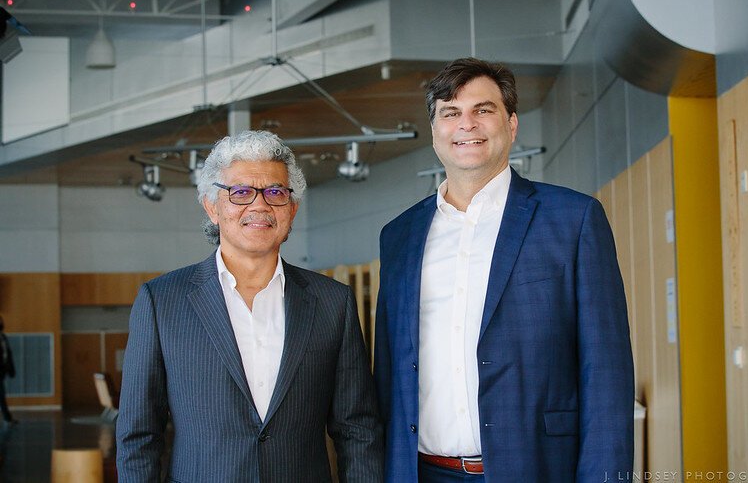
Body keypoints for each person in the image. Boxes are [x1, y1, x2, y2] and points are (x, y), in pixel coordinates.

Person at [373, 58, 634, 482]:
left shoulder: (573, 219)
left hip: (535, 469)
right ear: (435, 132)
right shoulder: (399, 236)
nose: (466, 124)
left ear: (511, 125)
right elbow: (388, 374)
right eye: (450, 112)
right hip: (421, 473)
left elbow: (606, 372)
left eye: (484, 109)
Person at [116, 131, 383, 482]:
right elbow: (139, 435)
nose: (259, 206)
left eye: (275, 192)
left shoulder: (333, 302)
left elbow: (357, 430)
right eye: (240, 192)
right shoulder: (161, 301)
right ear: (212, 206)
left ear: (292, 209)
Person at [0, 316, 16, 426]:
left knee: (2, 395)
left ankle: (7, 418)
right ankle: (7, 418)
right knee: (1, 394)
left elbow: (8, 354)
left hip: (2, 371)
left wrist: (11, 369)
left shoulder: (3, 337)